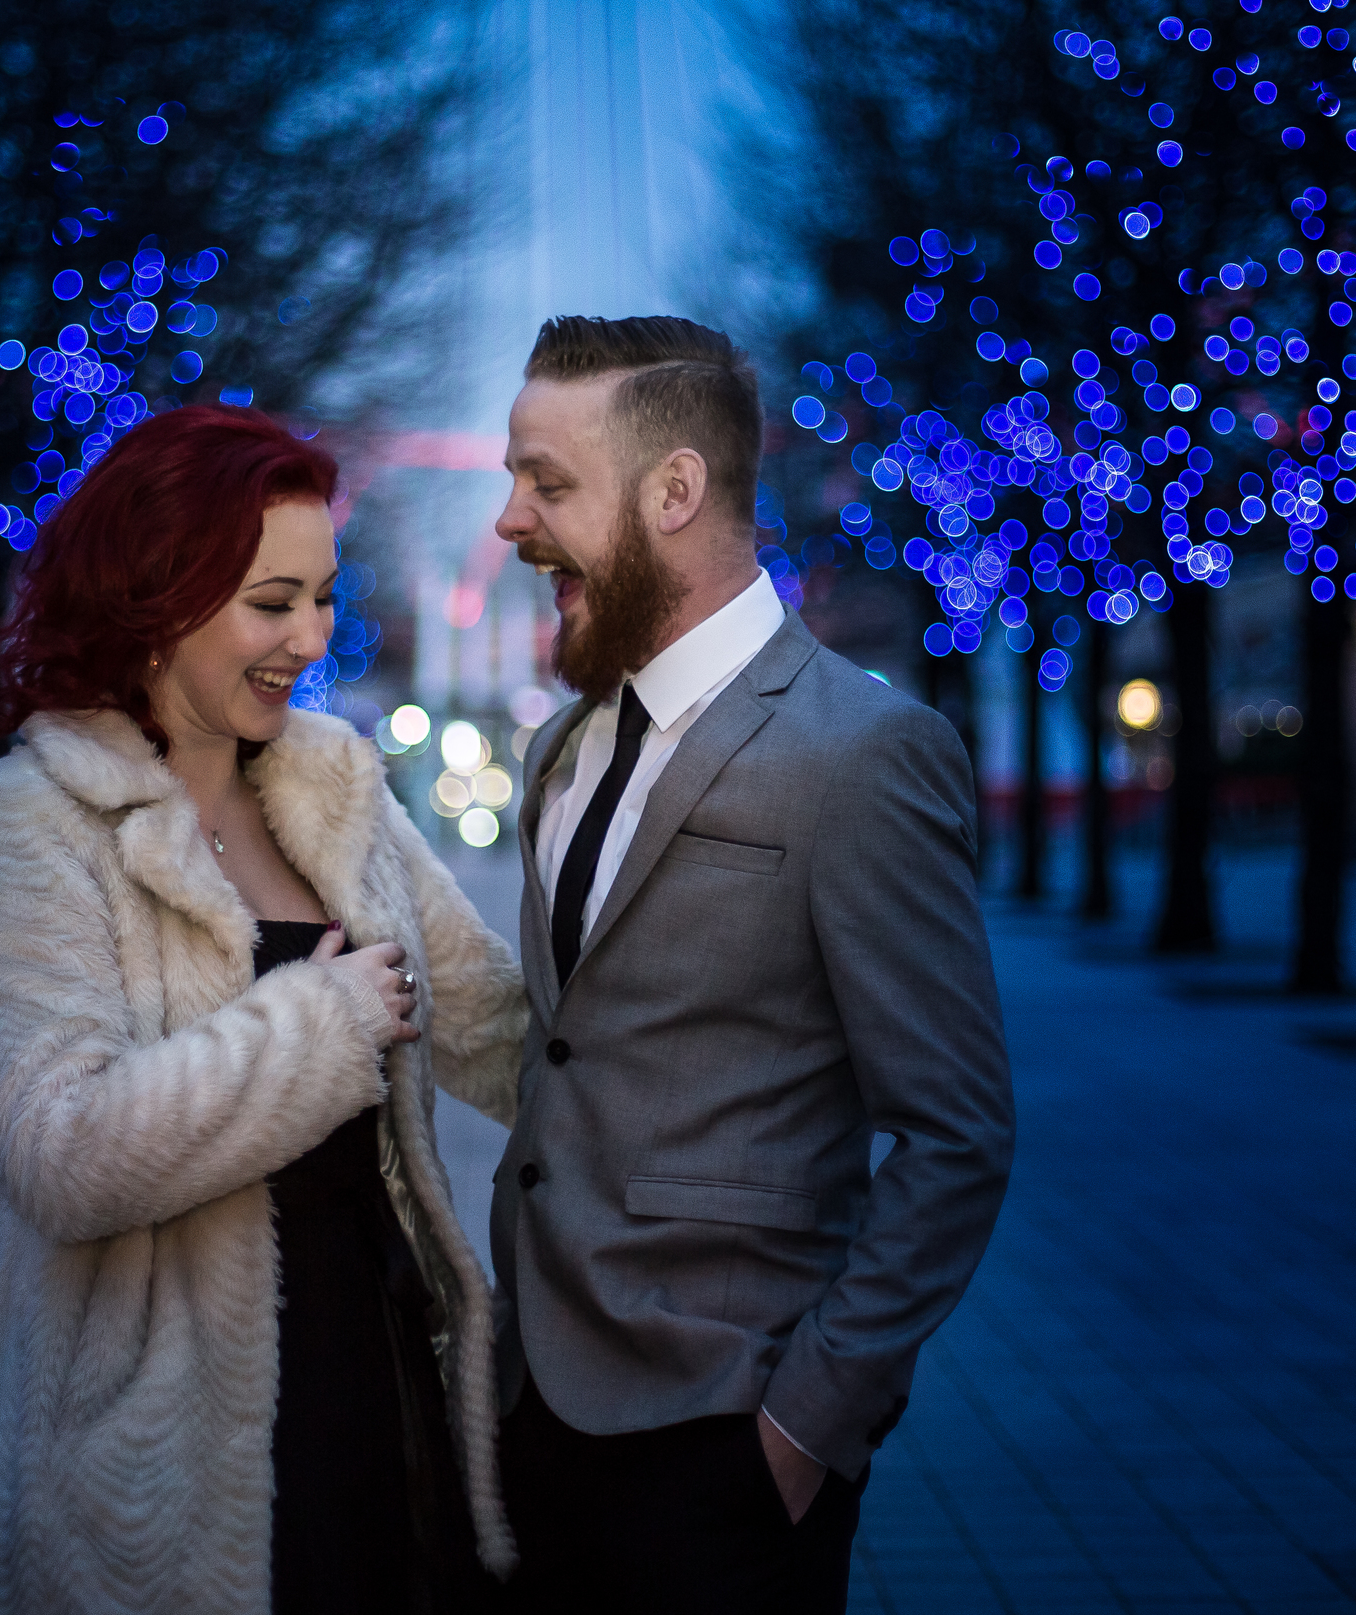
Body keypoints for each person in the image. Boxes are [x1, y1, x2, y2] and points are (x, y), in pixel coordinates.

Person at [0, 405, 526, 1613]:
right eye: (274, 601)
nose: (312, 635)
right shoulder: (29, 822)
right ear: (156, 593)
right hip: (146, 1462)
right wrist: (325, 1022)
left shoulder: (333, 787)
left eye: (323, 596)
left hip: (371, 1378)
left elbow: (505, 1030)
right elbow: (61, 1153)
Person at [488, 315, 1016, 1611]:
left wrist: (804, 1430)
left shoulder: (862, 753)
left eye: (546, 481)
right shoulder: (560, 749)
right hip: (524, 1424)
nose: (510, 520)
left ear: (676, 490)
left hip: (723, 1452)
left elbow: (956, 1134)